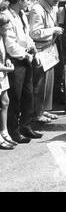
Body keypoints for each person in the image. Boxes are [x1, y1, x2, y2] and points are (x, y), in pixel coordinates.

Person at [1, 0, 42, 143]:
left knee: (28, 95)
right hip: (16, 61)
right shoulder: (6, 17)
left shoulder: (21, 15)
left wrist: (33, 51)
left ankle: (26, 126)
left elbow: (27, 36)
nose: (29, 3)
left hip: (26, 58)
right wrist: (25, 55)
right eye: (27, 0)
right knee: (15, 98)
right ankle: (13, 131)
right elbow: (10, 45)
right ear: (19, 0)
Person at [29, 0, 64, 123]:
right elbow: (34, 33)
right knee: (39, 84)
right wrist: (53, 30)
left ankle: (42, 110)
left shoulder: (51, 7)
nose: (57, 0)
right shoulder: (37, 10)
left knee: (46, 85)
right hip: (40, 50)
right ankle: (36, 113)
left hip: (48, 49)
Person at [0, 13, 17, 149]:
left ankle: (4, 132)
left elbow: (4, 55)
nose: (7, 30)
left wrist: (8, 60)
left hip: (2, 75)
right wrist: (8, 69)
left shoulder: (1, 38)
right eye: (5, 28)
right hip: (2, 72)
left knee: (5, 102)